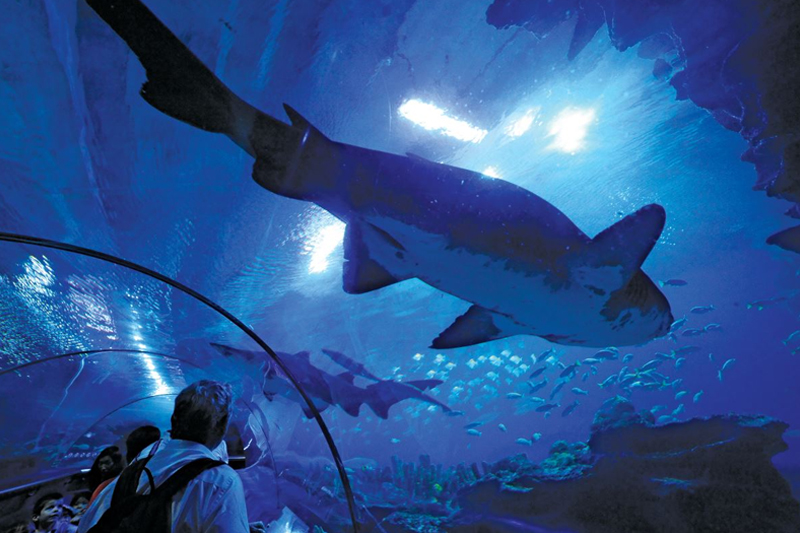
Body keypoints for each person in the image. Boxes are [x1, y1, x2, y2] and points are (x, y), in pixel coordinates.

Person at [78, 380, 249, 532]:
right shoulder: (221, 481)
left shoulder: (130, 473)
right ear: (222, 424)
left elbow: (87, 526)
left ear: (173, 419)